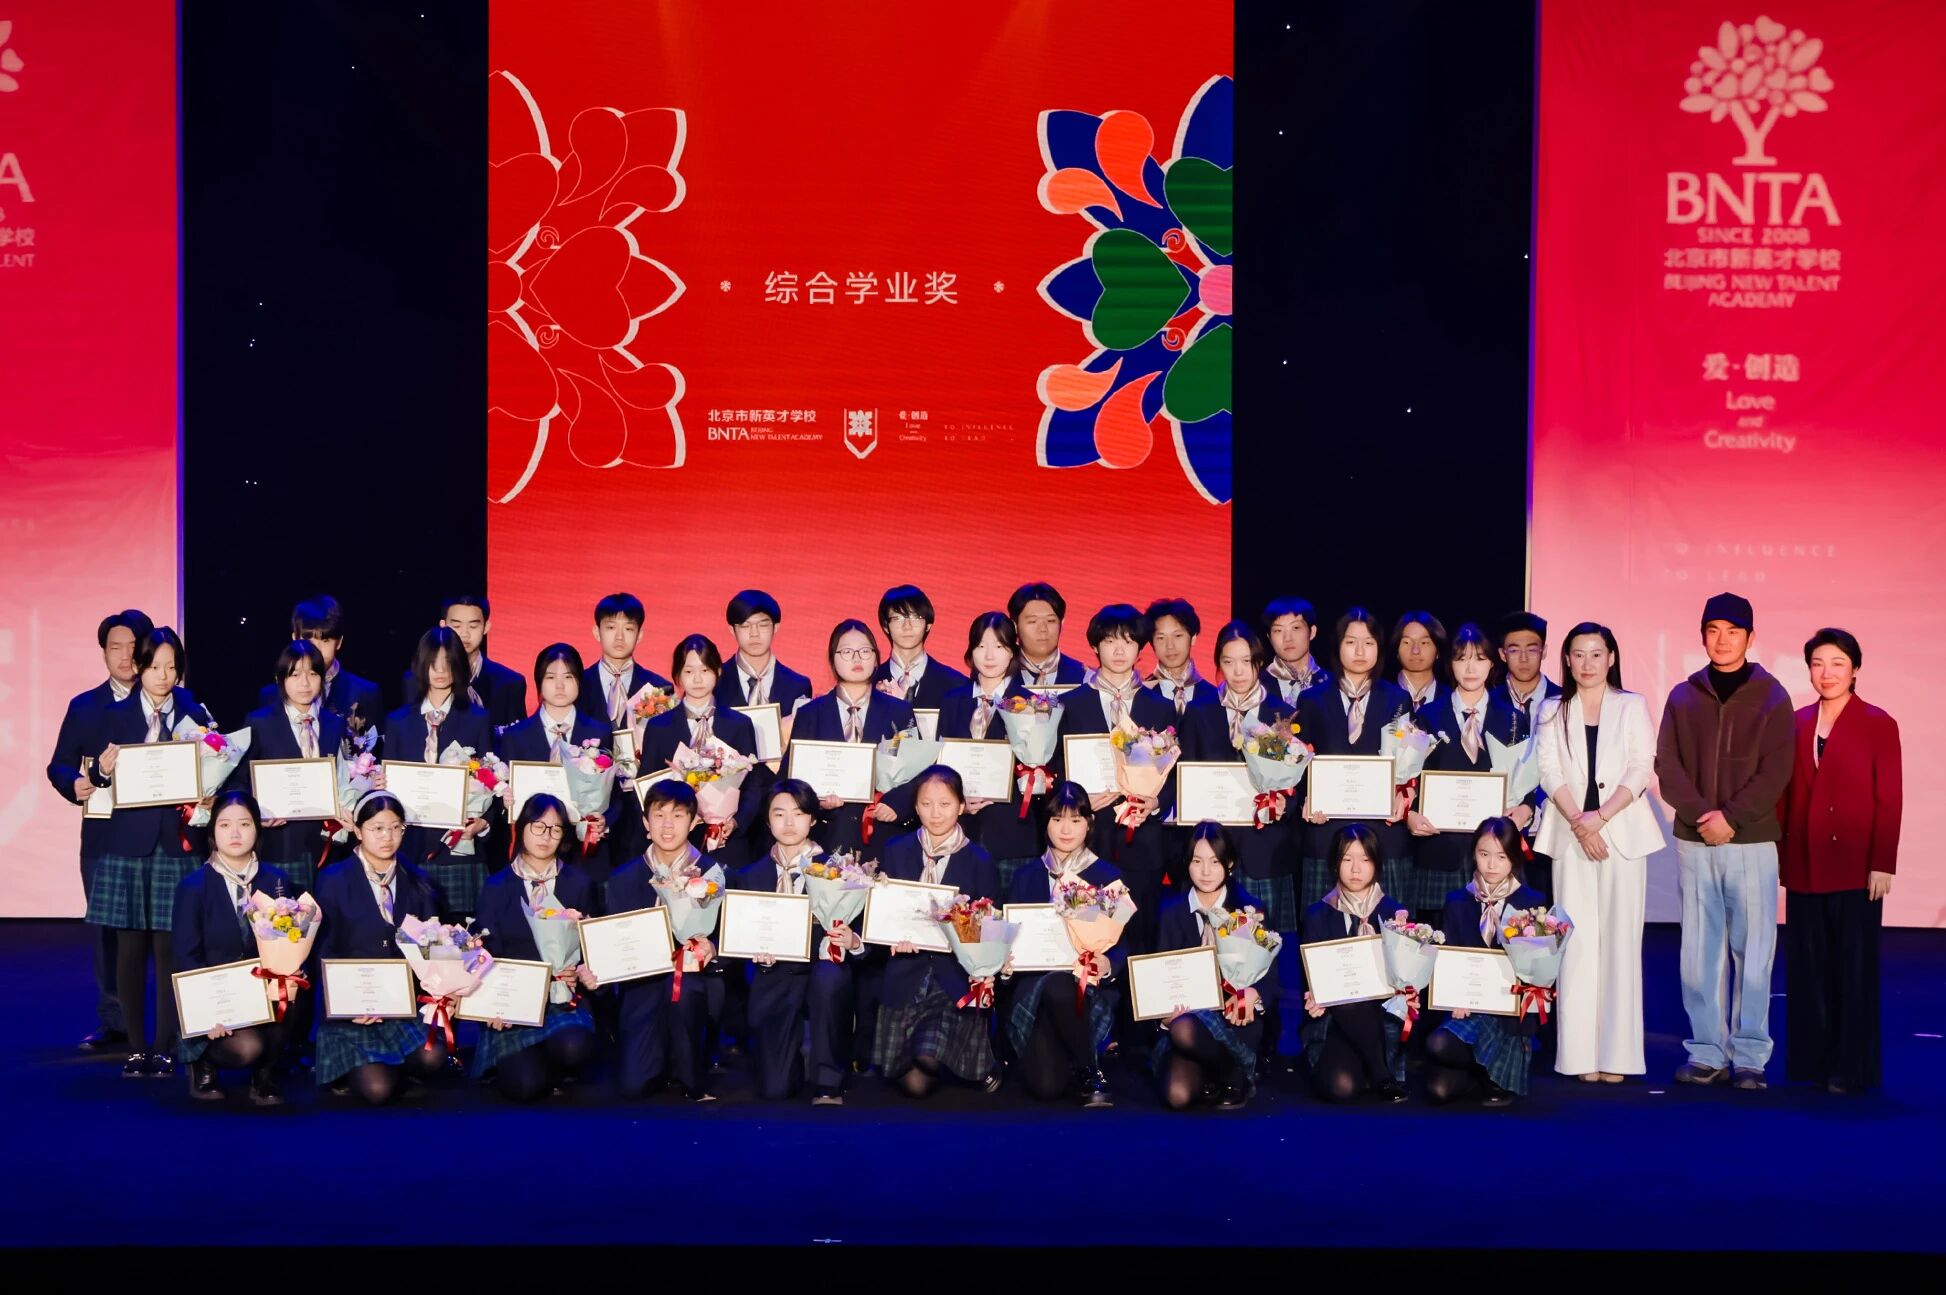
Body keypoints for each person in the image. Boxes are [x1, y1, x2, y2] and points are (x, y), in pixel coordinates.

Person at [1655, 592, 1795, 1090]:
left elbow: (1777, 770)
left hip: (1751, 841)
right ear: (1702, 636)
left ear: (1750, 637)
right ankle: (1707, 1052)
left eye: (1733, 631)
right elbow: (1668, 765)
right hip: (1696, 841)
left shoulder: (1773, 696)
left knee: (1754, 953)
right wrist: (1703, 817)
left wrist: (1731, 818)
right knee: (1699, 953)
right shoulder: (1683, 695)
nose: (1722, 640)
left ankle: (1750, 1057)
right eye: (1713, 630)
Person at [1535, 622, 1661, 1083]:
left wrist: (1600, 818)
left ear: (1611, 657)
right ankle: (1578, 1057)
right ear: (1566, 660)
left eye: (1596, 654)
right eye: (1578, 654)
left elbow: (1641, 767)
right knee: (1577, 944)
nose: (1587, 663)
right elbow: (1548, 770)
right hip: (1571, 837)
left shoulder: (1632, 705)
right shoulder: (1552, 709)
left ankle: (1619, 1057)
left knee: (1621, 944)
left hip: (1620, 836)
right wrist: (1579, 821)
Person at [1781, 628, 1903, 1095]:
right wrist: (1781, 858)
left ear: (1855, 669)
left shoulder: (1877, 722)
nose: (1826, 673)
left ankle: (1852, 1068)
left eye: (1836, 663)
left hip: (1856, 866)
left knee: (1853, 970)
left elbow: (1889, 797)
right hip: (1805, 865)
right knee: (1808, 969)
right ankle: (1812, 1063)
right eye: (1817, 663)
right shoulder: (1796, 722)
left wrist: (1883, 862)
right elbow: (1786, 795)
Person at [85, 626, 205, 1079]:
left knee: (171, 949)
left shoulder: (193, 712)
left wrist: (207, 794)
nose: (164, 675)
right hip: (126, 845)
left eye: (172, 667)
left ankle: (166, 1045)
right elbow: (96, 778)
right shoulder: (114, 715)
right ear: (139, 667)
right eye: (155, 666)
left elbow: (213, 771)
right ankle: (137, 1048)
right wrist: (100, 772)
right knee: (130, 949)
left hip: (176, 845)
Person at [46, 607, 153, 1052]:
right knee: (108, 931)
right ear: (103, 652)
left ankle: (178, 1020)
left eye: (133, 647)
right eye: (115, 647)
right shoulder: (85, 706)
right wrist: (75, 783)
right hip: (105, 837)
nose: (125, 656)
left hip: (162, 838)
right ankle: (116, 1021)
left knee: (167, 934)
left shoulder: (172, 702)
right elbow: (59, 764)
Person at [731, 779, 870, 1104]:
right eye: (779, 814)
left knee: (828, 977)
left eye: (798, 813)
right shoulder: (749, 876)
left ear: (813, 819)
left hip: (822, 968)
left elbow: (868, 934)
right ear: (767, 821)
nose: (789, 823)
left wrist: (852, 941)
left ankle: (828, 1078)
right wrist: (754, 950)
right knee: (774, 1090)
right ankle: (797, 1058)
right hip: (775, 973)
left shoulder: (838, 870)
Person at [311, 792, 450, 1104]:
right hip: (353, 1009)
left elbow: (431, 949)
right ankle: (358, 1068)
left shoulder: (419, 881)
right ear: (358, 831)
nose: (387, 837)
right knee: (377, 1090)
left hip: (402, 1004)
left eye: (396, 827)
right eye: (377, 828)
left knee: (433, 1058)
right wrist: (348, 1004)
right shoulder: (332, 879)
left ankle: (394, 1064)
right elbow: (324, 950)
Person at [872, 767, 1003, 1098]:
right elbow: (885, 911)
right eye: (926, 804)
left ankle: (975, 1064)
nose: (935, 813)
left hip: (952, 976)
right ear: (915, 807)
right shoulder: (896, 849)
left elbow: (989, 925)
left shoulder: (980, 859)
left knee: (926, 1057)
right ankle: (953, 1065)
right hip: (907, 972)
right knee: (913, 1084)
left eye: (945, 804)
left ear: (961, 806)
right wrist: (891, 937)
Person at [1055, 603, 1178, 950]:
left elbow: (1173, 774)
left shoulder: (1161, 706)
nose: (1119, 650)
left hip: (1143, 841)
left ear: (1141, 648)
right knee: (1086, 935)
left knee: (1140, 936)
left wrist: (1155, 803)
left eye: (1128, 641)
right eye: (1110, 641)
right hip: (1088, 838)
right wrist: (1079, 802)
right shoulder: (1071, 704)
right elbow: (1057, 770)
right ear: (1095, 646)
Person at [471, 794, 600, 1101]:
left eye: (555, 829)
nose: (546, 836)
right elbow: (484, 953)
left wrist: (582, 971)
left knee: (574, 1048)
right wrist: (492, 1003)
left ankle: (552, 1056)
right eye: (538, 826)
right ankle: (529, 1061)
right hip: (513, 1004)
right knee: (525, 1087)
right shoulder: (496, 886)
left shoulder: (579, 883)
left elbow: (593, 947)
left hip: (562, 999)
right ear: (522, 828)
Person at [601, 779, 722, 1102]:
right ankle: (661, 1057)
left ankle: (691, 1064)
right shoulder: (623, 878)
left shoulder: (712, 873)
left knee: (687, 995)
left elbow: (728, 937)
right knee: (634, 1086)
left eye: (678, 816)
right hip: (642, 984)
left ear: (694, 822)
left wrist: (712, 947)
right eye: (659, 815)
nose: (668, 826)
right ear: (645, 822)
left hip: (695, 981)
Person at [171, 791, 294, 1105]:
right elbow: (186, 957)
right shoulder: (193, 887)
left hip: (263, 993)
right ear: (213, 832)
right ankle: (202, 1062)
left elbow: (291, 943)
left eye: (245, 824)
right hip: (216, 999)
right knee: (247, 1049)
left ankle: (265, 1075)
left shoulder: (278, 881)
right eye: (225, 825)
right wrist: (209, 1011)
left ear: (258, 829)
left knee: (295, 989)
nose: (235, 833)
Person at [1004, 781, 1121, 1107]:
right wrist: (1005, 962)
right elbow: (1006, 936)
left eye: (1075, 820)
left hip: (1086, 987)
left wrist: (1107, 963)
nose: (1066, 830)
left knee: (1060, 984)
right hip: (1032, 991)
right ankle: (1081, 1060)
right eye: (1057, 820)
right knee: (1047, 1088)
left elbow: (1125, 943)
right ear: (1045, 823)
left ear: (1089, 824)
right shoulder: (1024, 876)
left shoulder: (1108, 876)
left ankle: (1087, 1067)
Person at [1423, 817, 1547, 1107]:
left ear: (1514, 857)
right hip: (1469, 1008)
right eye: (1484, 854)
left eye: (1501, 856)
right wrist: (1454, 996)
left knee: (1462, 1086)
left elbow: (1539, 966)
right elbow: (1448, 957)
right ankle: (1478, 1070)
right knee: (1438, 1072)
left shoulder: (1532, 902)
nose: (1492, 864)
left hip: (1509, 1014)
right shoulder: (1457, 900)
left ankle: (1492, 1072)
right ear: (1474, 854)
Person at [1295, 607, 1412, 908]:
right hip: (1326, 833)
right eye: (1351, 642)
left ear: (1379, 647)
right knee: (1323, 926)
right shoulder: (1312, 700)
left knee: (1390, 927)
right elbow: (1297, 765)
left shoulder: (1398, 699)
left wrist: (1403, 795)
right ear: (1337, 646)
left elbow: (1408, 763)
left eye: (1368, 642)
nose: (1360, 651)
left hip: (1382, 834)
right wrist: (1306, 799)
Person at [1151, 823, 1273, 1110]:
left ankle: (1233, 1072)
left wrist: (1253, 994)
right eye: (1197, 861)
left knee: (1185, 1031)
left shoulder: (1249, 910)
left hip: (1234, 1021)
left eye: (1215, 862)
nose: (1205, 871)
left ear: (1229, 863)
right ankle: (1227, 1070)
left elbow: (1271, 975)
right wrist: (1163, 1015)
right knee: (1177, 1095)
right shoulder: (1170, 912)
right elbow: (1159, 973)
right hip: (1187, 1023)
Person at [1402, 623, 1519, 916]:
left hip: (1496, 854)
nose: (1470, 668)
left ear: (1493, 663)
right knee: (1436, 935)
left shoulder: (1513, 719)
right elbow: (1408, 778)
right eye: (1461, 658)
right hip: (1440, 850)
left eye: (1479, 658)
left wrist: (1525, 809)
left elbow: (1526, 780)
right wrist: (1410, 814)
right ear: (1449, 663)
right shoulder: (1426, 716)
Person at [382, 627, 494, 914]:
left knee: (465, 933)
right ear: (422, 664)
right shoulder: (398, 722)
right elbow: (386, 790)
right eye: (433, 662)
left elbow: (493, 780)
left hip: (459, 850)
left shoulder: (478, 720)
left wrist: (482, 823)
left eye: (448, 662)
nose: (441, 670)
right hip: (409, 849)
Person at [1299, 824, 1409, 1103]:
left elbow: (1407, 975)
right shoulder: (1318, 915)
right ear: (1335, 864)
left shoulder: (1395, 913)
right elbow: (1310, 977)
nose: (1356, 869)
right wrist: (1314, 995)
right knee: (1341, 1087)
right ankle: (1377, 1071)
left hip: (1381, 1017)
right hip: (1334, 1019)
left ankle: (1378, 1072)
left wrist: (1407, 991)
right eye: (1347, 859)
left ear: (1377, 864)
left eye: (1365, 859)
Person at [791, 619, 919, 859]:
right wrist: (817, 803)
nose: (857, 658)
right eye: (847, 652)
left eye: (865, 651)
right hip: (827, 839)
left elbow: (918, 771)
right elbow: (791, 780)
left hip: (885, 836)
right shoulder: (810, 714)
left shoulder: (899, 711)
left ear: (876, 658)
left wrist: (896, 804)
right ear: (832, 660)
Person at [642, 634, 768, 873]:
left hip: (728, 841)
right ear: (677, 675)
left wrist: (736, 822)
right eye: (689, 671)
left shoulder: (739, 724)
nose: (697, 679)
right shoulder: (659, 727)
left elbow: (753, 785)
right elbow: (648, 785)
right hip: (675, 843)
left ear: (718, 671)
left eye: (705, 670)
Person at [935, 611, 1041, 892]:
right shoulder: (953, 701)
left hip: (1012, 835)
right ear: (971, 652)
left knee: (1008, 914)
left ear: (1012, 651)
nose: (989, 655)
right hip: (960, 833)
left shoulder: (1031, 703)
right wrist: (958, 800)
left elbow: (1043, 767)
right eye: (981, 646)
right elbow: (940, 763)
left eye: (999, 646)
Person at [495, 644, 618, 887]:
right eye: (551, 677)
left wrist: (604, 820)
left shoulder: (600, 732)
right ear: (539, 682)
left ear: (579, 681)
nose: (560, 686)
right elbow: (502, 802)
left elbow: (614, 795)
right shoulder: (516, 736)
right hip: (533, 855)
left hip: (586, 855)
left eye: (568, 677)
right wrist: (505, 800)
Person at [231, 640, 349, 892]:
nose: (305, 683)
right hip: (279, 845)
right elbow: (238, 781)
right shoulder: (260, 723)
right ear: (280, 679)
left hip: (327, 846)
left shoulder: (334, 724)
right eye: (295, 675)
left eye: (313, 674)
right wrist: (256, 813)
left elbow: (343, 778)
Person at [1494, 611, 1560, 902]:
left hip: (1552, 825)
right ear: (1502, 654)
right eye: (1514, 650)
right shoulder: (1487, 701)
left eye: (1532, 650)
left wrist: (1532, 805)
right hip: (1497, 828)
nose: (1523, 658)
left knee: (1544, 911)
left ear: (1544, 651)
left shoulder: (1565, 700)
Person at [256, 596, 384, 741]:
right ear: (295, 639)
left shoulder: (365, 693)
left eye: (325, 640)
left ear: (339, 642)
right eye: (307, 640)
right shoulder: (271, 695)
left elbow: (375, 750)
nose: (315, 649)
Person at [431, 594, 528, 729]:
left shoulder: (510, 682)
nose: (465, 634)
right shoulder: (423, 679)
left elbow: (518, 737)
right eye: (457, 626)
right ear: (443, 625)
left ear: (486, 627)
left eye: (473, 626)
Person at [713, 588, 814, 717]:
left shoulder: (798, 686)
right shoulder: (714, 682)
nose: (754, 634)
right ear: (732, 630)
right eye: (745, 626)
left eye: (763, 625)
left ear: (775, 627)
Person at [581, 591, 672, 731]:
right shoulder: (577, 685)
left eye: (628, 629)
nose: (619, 636)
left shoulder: (660, 689)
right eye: (611, 627)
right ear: (597, 632)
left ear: (639, 635)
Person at [872, 584, 969, 707]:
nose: (907, 626)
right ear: (886, 626)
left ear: (928, 625)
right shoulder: (868, 684)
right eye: (897, 618)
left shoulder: (958, 685)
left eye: (915, 617)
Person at [1144, 597, 1217, 715]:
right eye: (1161, 638)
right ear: (1152, 643)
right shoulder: (1139, 695)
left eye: (1178, 636)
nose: (1170, 646)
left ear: (1193, 638)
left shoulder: (1216, 698)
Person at [1008, 581, 1088, 687]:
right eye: (1032, 621)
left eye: (1050, 621)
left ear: (1061, 623)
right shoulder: (998, 674)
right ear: (1015, 625)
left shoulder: (1084, 677)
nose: (1043, 629)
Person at [1261, 597, 1330, 705]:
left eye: (1296, 628)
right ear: (1269, 637)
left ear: (1312, 632)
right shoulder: (1256, 687)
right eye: (1278, 630)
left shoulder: (1333, 684)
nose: (1287, 638)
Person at [1389, 611, 1448, 715]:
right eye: (1407, 642)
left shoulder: (1451, 699)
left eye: (1424, 643)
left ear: (1438, 651)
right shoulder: (1378, 696)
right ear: (1397, 649)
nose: (1415, 650)